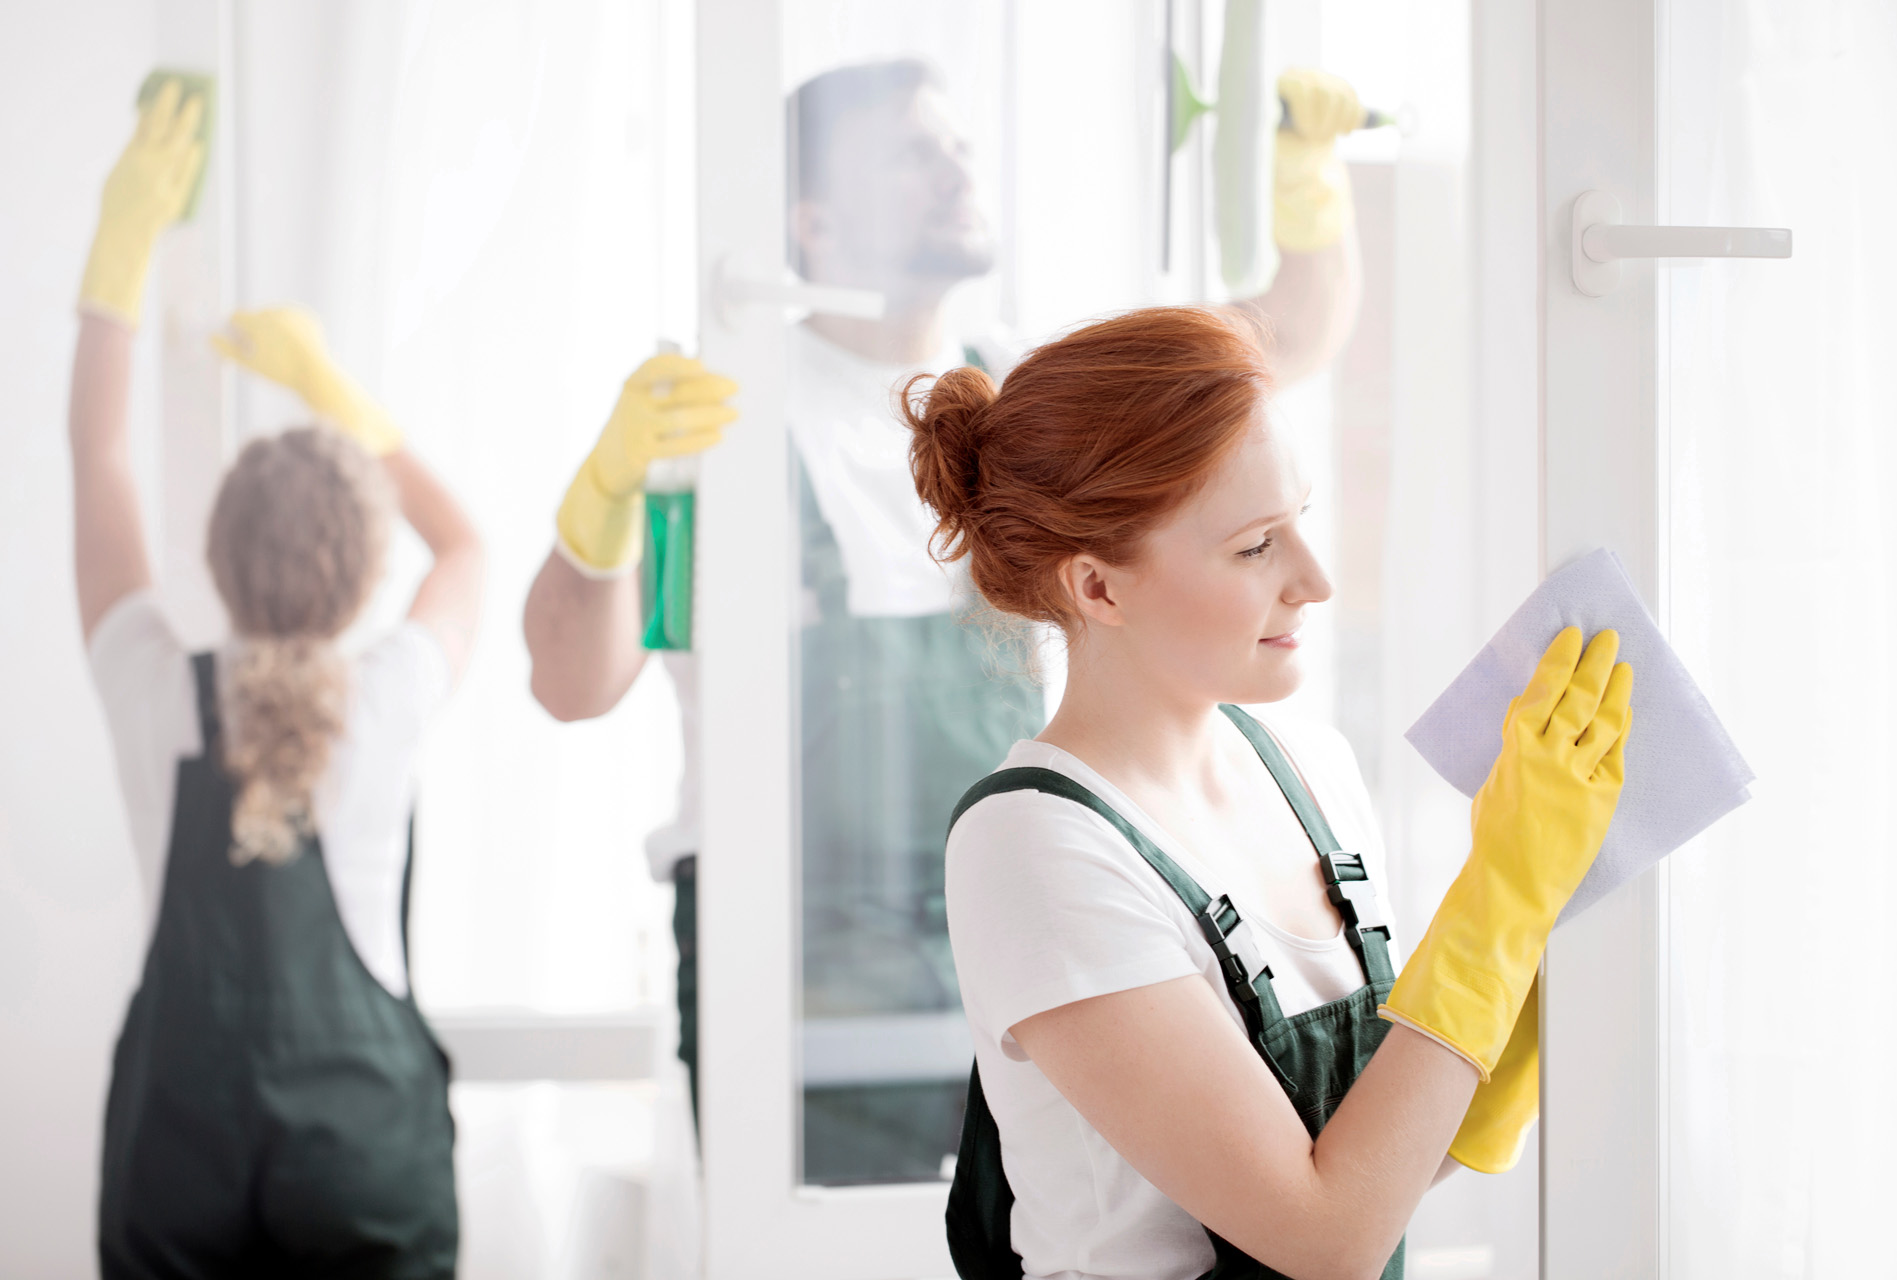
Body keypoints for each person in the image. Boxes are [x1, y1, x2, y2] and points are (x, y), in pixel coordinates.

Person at [523, 60, 1372, 1182]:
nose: (954, 166)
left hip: (1036, 895)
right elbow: (571, 685)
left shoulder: (1020, 393)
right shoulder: (720, 417)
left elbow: (1274, 346)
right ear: (810, 218)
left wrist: (1311, 192)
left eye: (957, 145)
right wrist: (605, 503)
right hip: (794, 950)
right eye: (910, 153)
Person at [905, 305, 1631, 1279]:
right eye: (1255, 546)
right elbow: (1322, 1235)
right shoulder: (1033, 846)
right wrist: (1502, 890)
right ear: (1098, 588)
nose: (1316, 579)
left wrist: (1533, 975)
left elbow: (1376, 1170)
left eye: (1302, 522)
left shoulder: (1312, 771)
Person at [72, 80, 484, 1278]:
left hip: (176, 1139)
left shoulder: (150, 687)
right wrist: (339, 396)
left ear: (212, 555)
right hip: (364, 1141)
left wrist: (119, 263)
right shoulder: (390, 692)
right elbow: (466, 546)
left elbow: (94, 456)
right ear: (363, 579)